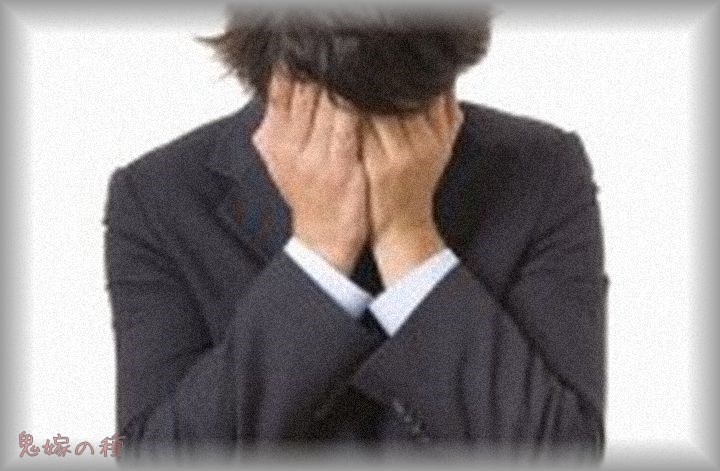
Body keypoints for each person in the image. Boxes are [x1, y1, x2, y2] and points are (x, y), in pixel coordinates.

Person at [103, 6, 608, 464]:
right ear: (278, 80)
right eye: (329, 109)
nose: (357, 143)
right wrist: (318, 253)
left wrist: (409, 240)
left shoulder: (541, 171)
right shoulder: (159, 197)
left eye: (395, 113)